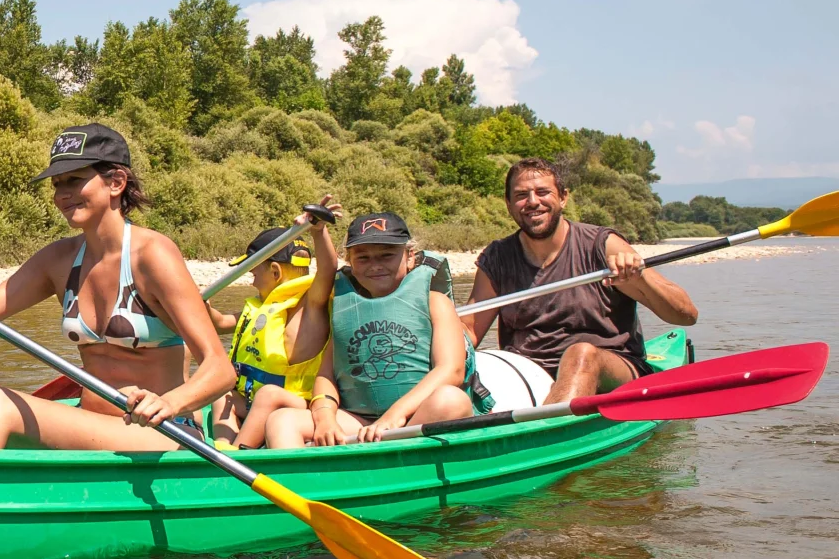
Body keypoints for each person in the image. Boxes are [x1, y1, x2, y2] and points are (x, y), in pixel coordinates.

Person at [0, 124, 234, 451]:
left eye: (74, 180)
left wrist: (171, 403)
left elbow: (220, 370)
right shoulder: (59, 259)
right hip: (90, 422)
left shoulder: (152, 255)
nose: (61, 194)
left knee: (1, 404)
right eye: (57, 184)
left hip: (161, 430)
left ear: (116, 183)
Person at [466, 158, 698, 404]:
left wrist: (638, 278)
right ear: (509, 204)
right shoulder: (497, 257)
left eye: (543, 192)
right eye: (522, 195)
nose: (533, 202)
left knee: (581, 354)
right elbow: (468, 330)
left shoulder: (602, 246)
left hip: (611, 367)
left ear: (563, 198)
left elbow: (686, 315)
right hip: (528, 374)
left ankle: (549, 433)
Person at [266, 212, 495, 448]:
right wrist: (325, 418)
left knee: (451, 399)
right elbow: (327, 375)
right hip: (362, 420)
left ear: (410, 257)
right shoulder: (346, 308)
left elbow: (451, 370)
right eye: (363, 258)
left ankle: (398, 461)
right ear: (351, 264)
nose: (375, 265)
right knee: (282, 420)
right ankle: (306, 482)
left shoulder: (435, 302)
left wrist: (394, 416)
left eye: (387, 255)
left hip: (418, 420)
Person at [205, 202, 339, 450]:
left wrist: (318, 231)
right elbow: (220, 323)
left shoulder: (310, 306)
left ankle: (238, 453)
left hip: (295, 402)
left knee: (269, 394)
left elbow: (328, 271)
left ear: (275, 272)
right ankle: (223, 446)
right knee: (221, 393)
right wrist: (203, 306)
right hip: (253, 400)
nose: (253, 282)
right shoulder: (260, 306)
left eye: (254, 274)